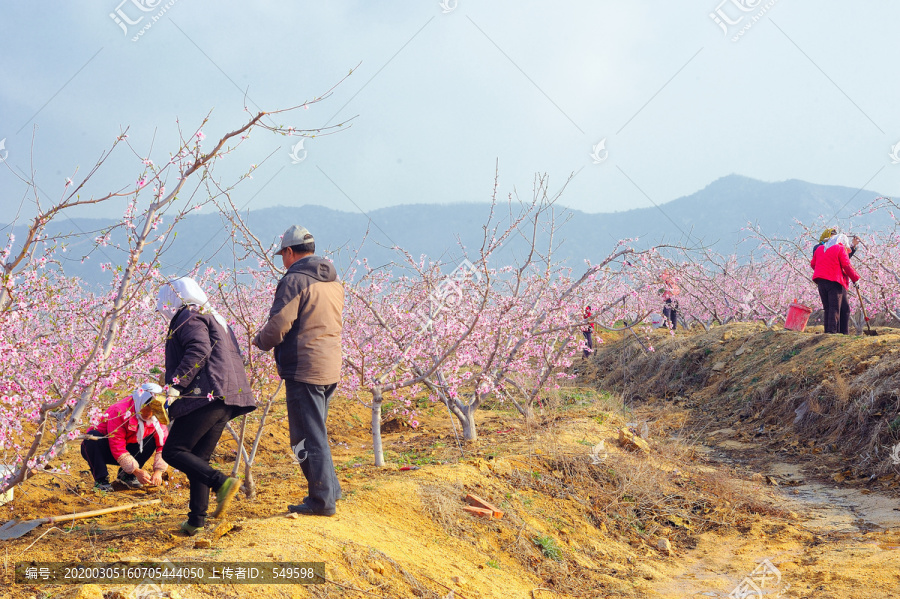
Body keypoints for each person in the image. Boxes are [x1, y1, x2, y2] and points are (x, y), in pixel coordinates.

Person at [253, 225, 344, 517]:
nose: (283, 260)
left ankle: (321, 502)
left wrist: (258, 341)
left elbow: (279, 325)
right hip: (329, 366)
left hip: (304, 368)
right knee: (316, 432)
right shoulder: (333, 280)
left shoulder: (294, 281)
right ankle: (331, 491)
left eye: (283, 254)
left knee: (304, 439)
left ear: (290, 252)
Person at [157, 277, 256, 535]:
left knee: (174, 451)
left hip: (205, 395)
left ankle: (221, 482)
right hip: (226, 395)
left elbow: (198, 349)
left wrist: (176, 384)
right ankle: (196, 521)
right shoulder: (215, 318)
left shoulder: (188, 315)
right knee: (198, 458)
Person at [80, 383, 169, 492]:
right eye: (146, 409)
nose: (149, 414)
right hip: (105, 448)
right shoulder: (121, 410)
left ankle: (127, 476)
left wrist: (158, 472)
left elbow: (163, 444)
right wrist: (136, 471)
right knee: (91, 438)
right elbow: (116, 445)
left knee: (151, 440)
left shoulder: (157, 417)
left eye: (153, 411)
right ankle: (101, 480)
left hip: (130, 447)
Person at [811, 233, 860, 334]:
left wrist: (823, 270)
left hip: (821, 282)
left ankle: (828, 331)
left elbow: (813, 264)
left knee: (827, 308)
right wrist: (855, 278)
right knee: (834, 307)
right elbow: (846, 265)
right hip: (834, 281)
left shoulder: (820, 249)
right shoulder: (839, 248)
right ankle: (832, 332)